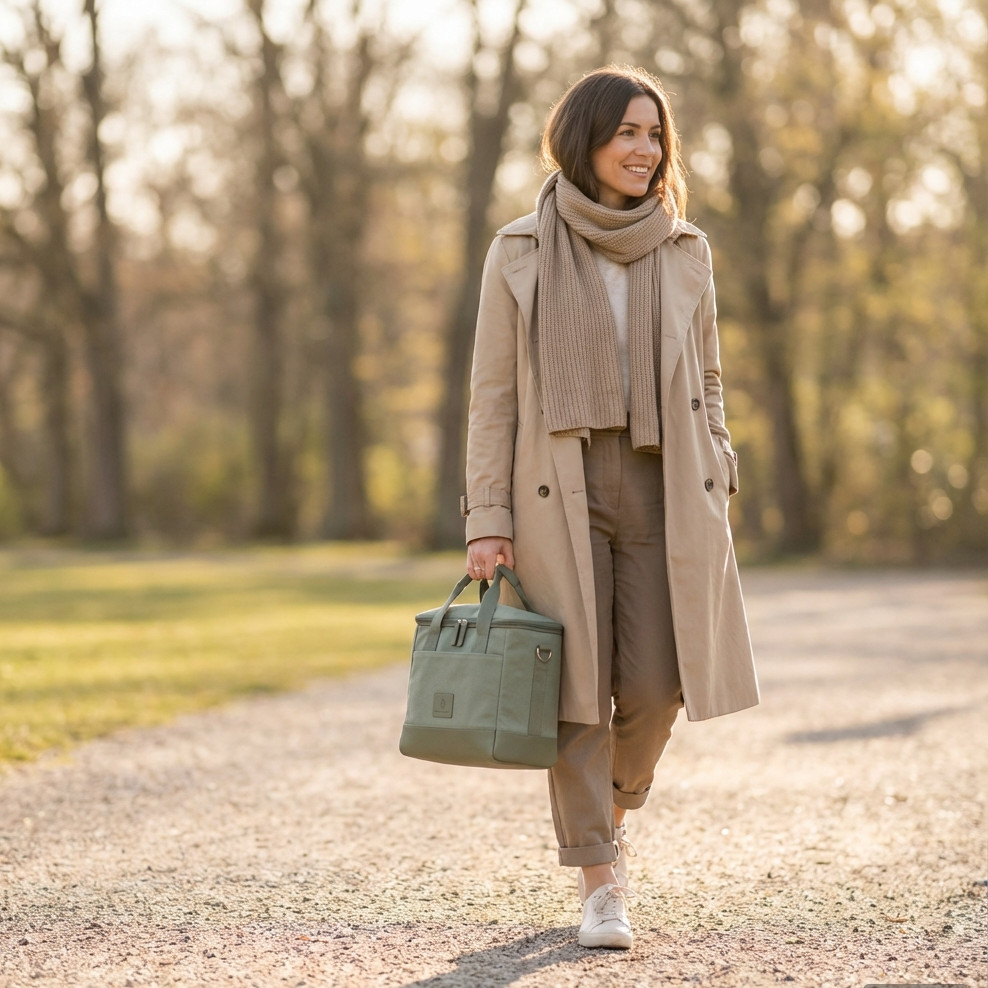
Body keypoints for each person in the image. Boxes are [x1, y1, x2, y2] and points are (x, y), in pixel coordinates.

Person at [461, 66, 759, 949]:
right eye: (627, 132)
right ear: (583, 139)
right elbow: (492, 396)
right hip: (557, 484)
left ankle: (613, 817)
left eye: (654, 134)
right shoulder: (520, 249)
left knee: (660, 689)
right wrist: (487, 517)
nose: (645, 149)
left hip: (666, 480)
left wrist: (722, 461)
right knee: (577, 691)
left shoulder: (685, 248)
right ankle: (600, 883)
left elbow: (707, 377)